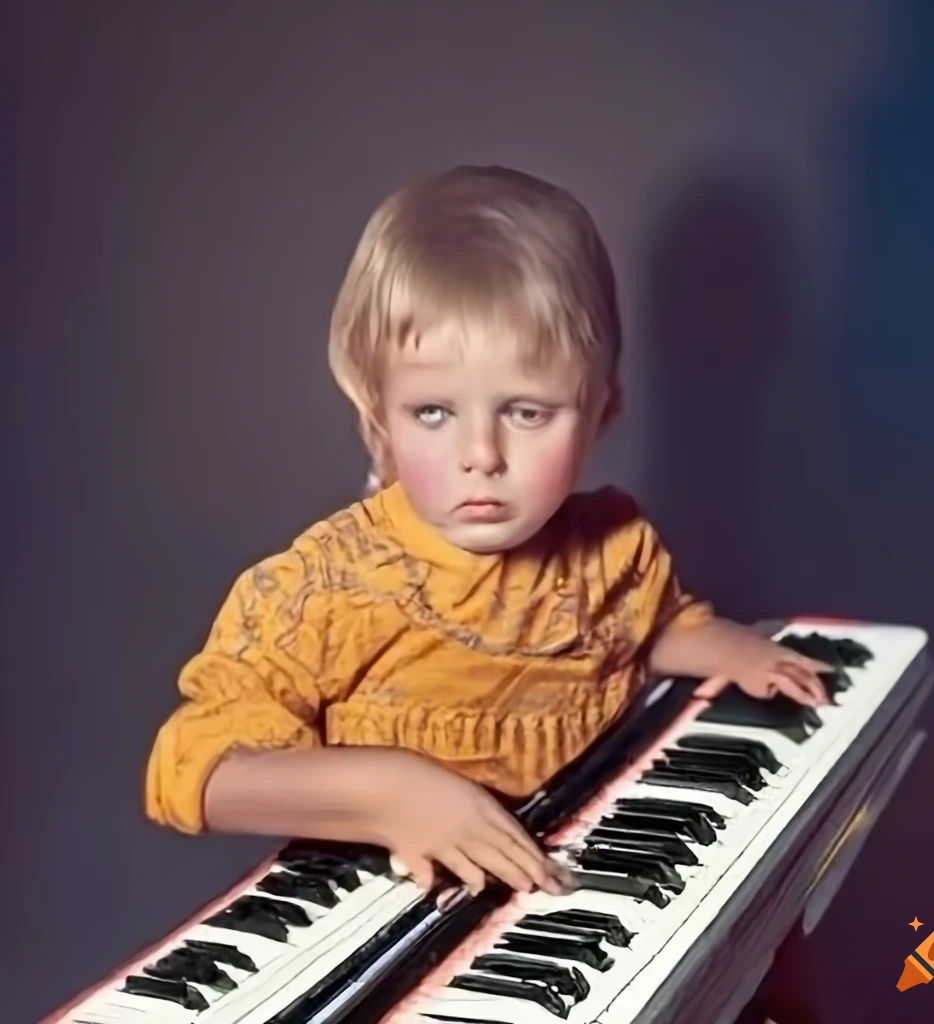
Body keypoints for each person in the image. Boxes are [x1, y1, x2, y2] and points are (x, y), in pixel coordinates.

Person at [144, 165, 830, 898]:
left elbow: (641, 626)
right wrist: (389, 792)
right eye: (433, 413)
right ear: (380, 417)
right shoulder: (325, 589)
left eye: (527, 412)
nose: (482, 456)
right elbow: (193, 772)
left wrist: (724, 645)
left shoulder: (611, 547)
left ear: (601, 412)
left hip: (563, 880)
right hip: (387, 905)